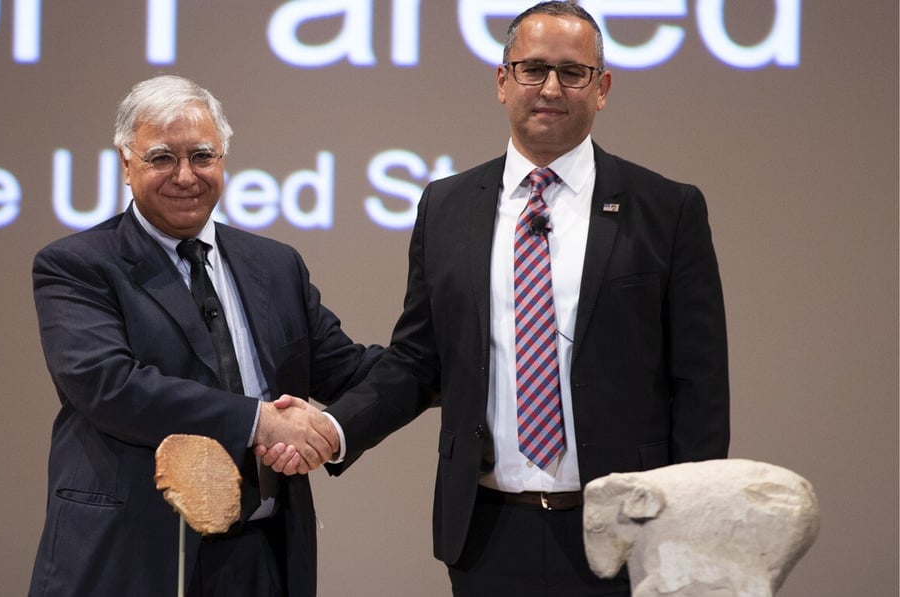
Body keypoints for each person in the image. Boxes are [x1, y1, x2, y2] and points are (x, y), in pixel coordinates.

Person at [262, 2, 730, 595]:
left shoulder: (667, 209)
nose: (551, 87)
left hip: (627, 532)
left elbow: (701, 384)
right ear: (502, 81)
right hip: (486, 534)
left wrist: (688, 531)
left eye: (573, 71)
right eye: (532, 68)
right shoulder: (447, 206)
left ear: (603, 87)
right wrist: (333, 428)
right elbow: (416, 360)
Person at [27, 75, 381, 597]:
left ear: (224, 161)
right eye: (162, 158)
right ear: (126, 165)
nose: (185, 176)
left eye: (202, 156)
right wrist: (260, 422)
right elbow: (110, 385)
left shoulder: (276, 265)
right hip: (132, 552)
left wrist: (449, 360)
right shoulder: (76, 265)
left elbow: (347, 370)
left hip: (262, 551)